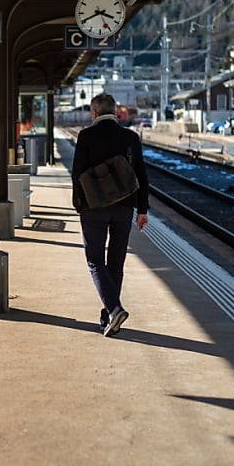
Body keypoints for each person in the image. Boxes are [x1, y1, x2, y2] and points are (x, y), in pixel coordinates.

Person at [72, 93, 149, 336]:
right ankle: (108, 317)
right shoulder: (130, 138)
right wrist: (143, 210)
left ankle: (114, 309)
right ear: (115, 112)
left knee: (95, 260)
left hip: (94, 208)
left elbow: (77, 174)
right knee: (115, 261)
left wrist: (79, 205)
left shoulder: (86, 136)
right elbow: (141, 175)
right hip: (124, 207)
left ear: (94, 113)